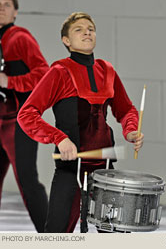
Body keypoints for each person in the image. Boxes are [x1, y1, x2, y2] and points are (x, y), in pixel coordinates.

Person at [17, 12, 144, 233]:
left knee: (113, 235)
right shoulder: (58, 72)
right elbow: (26, 114)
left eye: (91, 29)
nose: (87, 31)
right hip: (70, 168)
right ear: (66, 41)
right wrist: (60, 138)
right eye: (79, 29)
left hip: (105, 169)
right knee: (56, 235)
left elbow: (126, 110)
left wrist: (131, 130)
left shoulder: (107, 70)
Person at [0, 0, 49, 232]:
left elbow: (44, 75)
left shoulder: (20, 38)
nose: (1, 8)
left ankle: (53, 239)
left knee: (28, 182)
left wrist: (10, 81)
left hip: (16, 123)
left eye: (7, 4)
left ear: (16, 11)